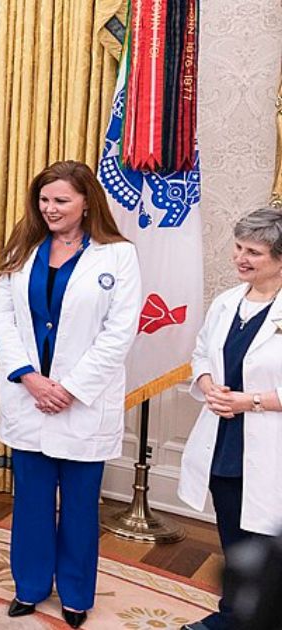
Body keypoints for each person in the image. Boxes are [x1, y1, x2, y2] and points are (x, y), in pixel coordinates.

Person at [0, 160, 141, 628]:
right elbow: (1, 318)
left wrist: (71, 389)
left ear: (86, 202)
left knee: (78, 506)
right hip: (29, 396)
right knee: (31, 502)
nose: (49, 208)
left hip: (82, 403)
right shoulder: (24, 248)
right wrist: (28, 377)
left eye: (61, 200)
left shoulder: (117, 255)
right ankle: (30, 586)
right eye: (44, 199)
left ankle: (75, 594)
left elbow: (120, 332)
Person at [177, 208, 282, 630]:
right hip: (224, 443)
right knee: (233, 540)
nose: (240, 257)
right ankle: (233, 616)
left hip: (268, 444)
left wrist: (248, 401)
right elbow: (202, 353)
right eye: (238, 247)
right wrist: (207, 384)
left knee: (264, 546)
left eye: (253, 252)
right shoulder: (227, 302)